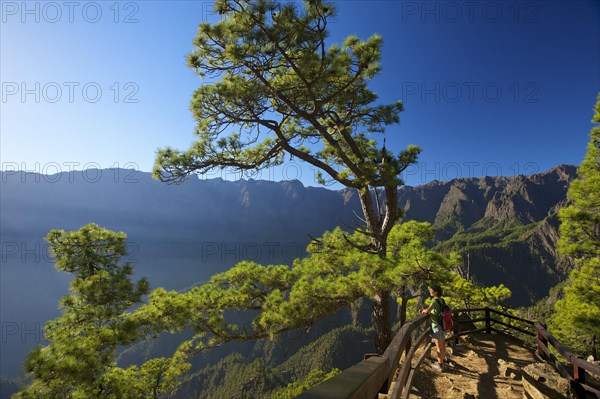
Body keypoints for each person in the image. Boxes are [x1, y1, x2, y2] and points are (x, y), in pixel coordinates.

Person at [421, 285, 447, 371]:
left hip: (437, 326)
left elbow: (427, 311)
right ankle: (443, 363)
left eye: (431, 290)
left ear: (435, 292)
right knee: (442, 344)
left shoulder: (434, 301)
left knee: (439, 346)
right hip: (443, 325)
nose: (430, 292)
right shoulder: (442, 300)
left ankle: (440, 365)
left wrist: (422, 311)